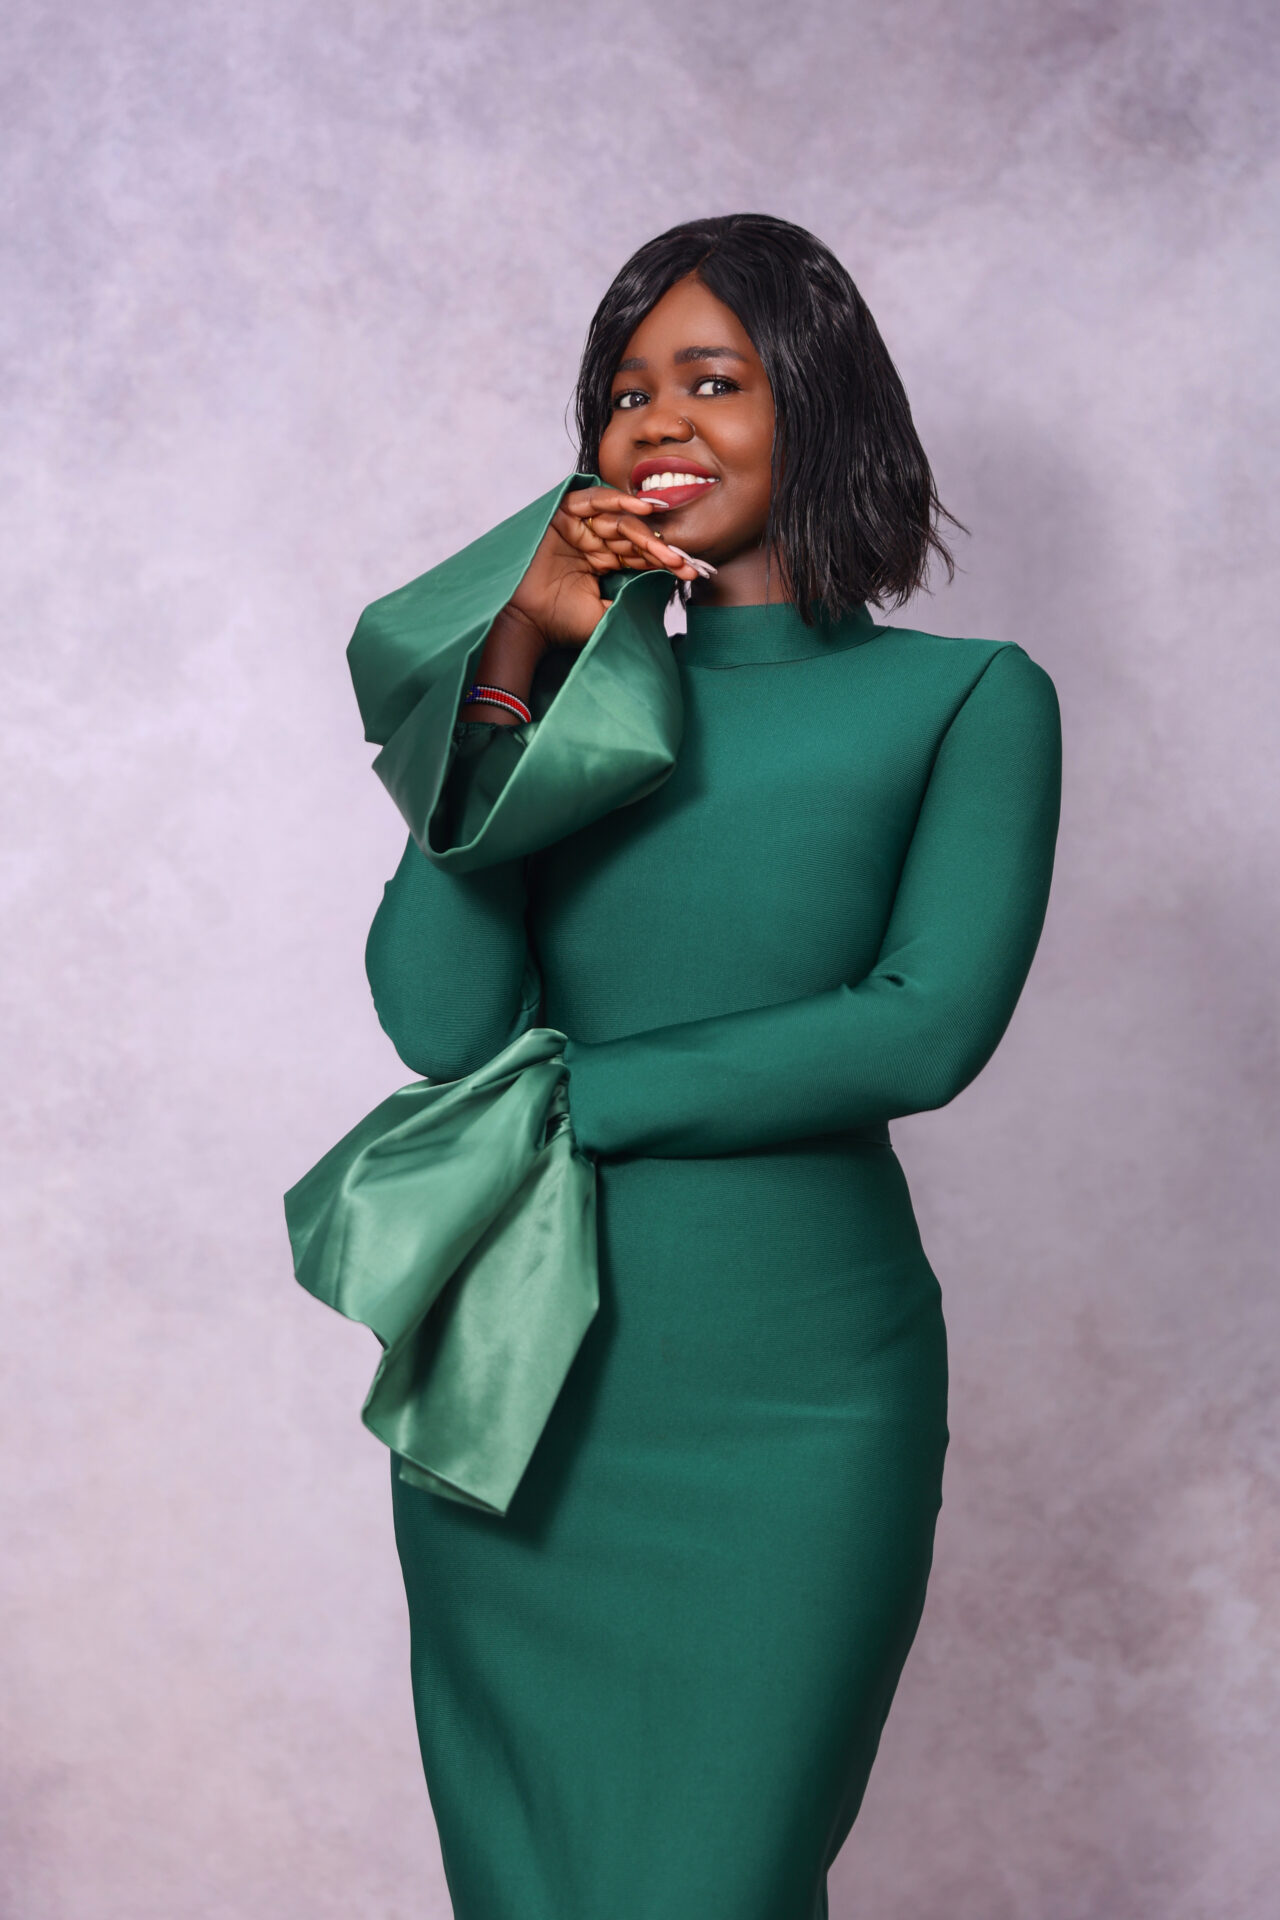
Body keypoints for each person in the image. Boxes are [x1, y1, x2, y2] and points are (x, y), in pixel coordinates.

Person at [332, 213, 1061, 1918]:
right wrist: (517, 669)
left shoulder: (966, 701)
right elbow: (439, 1023)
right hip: (522, 1389)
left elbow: (923, 1023)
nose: (657, 421)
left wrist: (580, 1099)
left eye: (712, 379)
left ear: (817, 406)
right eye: (623, 392)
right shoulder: (566, 701)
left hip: (796, 1397)